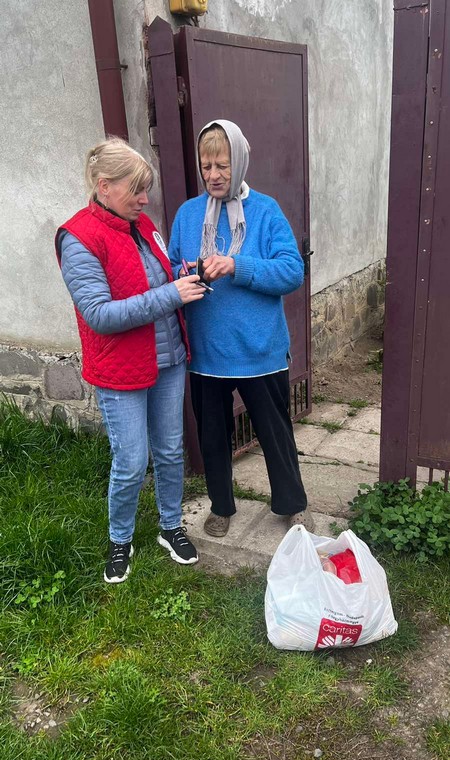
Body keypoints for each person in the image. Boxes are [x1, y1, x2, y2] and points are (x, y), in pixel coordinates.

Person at [55, 137, 206, 583]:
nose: (145, 199)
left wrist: (180, 275)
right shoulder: (78, 238)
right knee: (132, 461)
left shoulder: (141, 224)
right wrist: (171, 293)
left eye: (146, 190)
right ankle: (120, 539)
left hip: (168, 359)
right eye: (136, 190)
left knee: (170, 450)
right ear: (104, 186)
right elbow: (100, 315)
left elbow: (153, 278)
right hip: (120, 369)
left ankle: (170, 526)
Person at [169, 120, 314, 538]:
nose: (213, 175)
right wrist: (185, 273)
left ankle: (291, 504)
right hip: (207, 351)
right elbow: (173, 265)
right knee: (213, 436)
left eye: (223, 165)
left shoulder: (266, 211)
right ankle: (221, 505)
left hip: (259, 350)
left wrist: (236, 265)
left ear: (241, 162)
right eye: (207, 166)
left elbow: (291, 271)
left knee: (275, 433)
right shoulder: (188, 214)